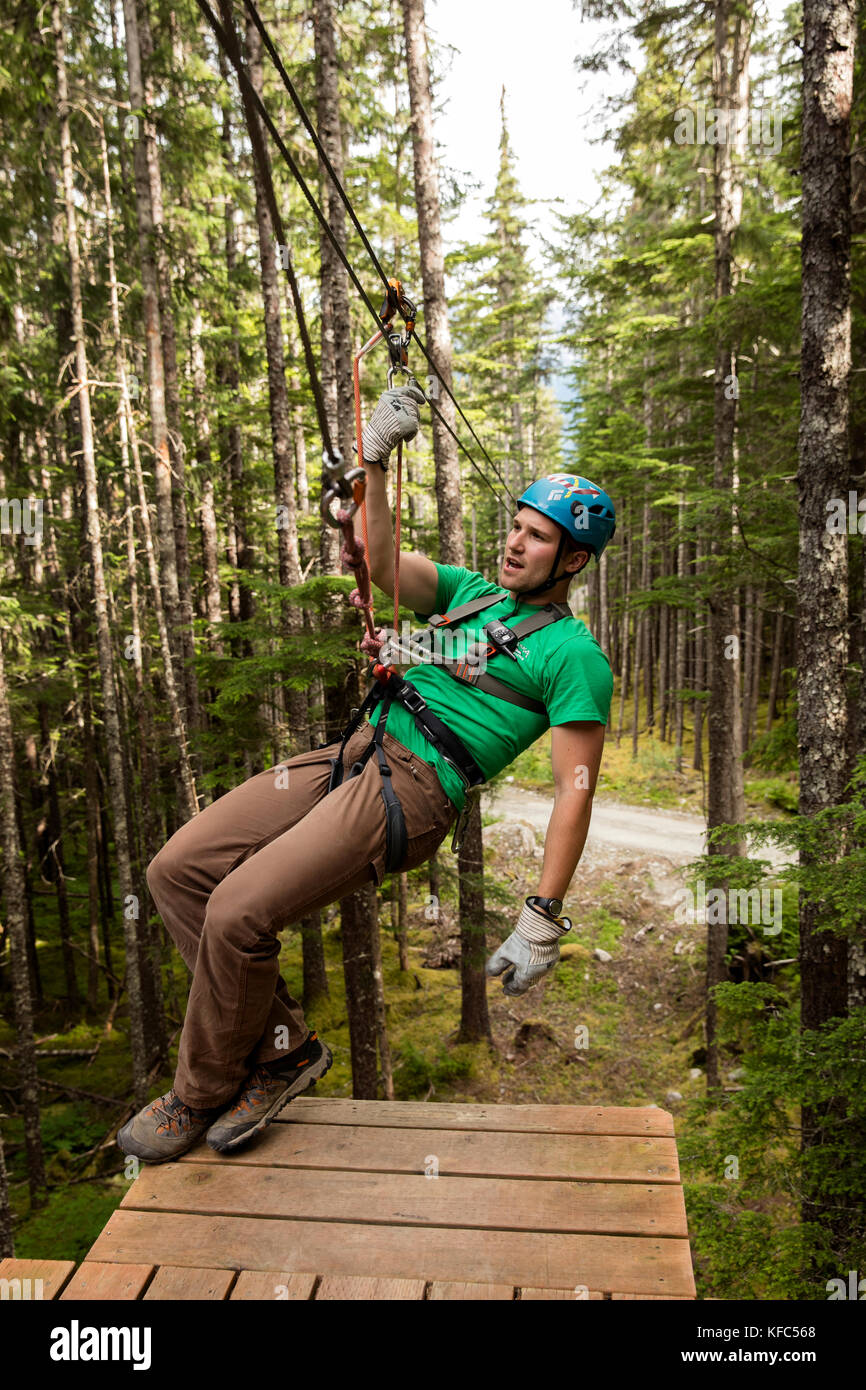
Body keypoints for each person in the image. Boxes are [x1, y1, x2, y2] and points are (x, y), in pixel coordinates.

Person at [117, 383, 616, 1164]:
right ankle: (281, 1051)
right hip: (355, 752)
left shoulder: (574, 657)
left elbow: (573, 793)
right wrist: (374, 465)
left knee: (239, 911)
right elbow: (379, 563)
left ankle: (198, 1092)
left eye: (538, 538)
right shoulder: (471, 595)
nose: (516, 544)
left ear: (574, 561)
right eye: (516, 528)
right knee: (178, 871)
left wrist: (542, 913)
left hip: (412, 790)